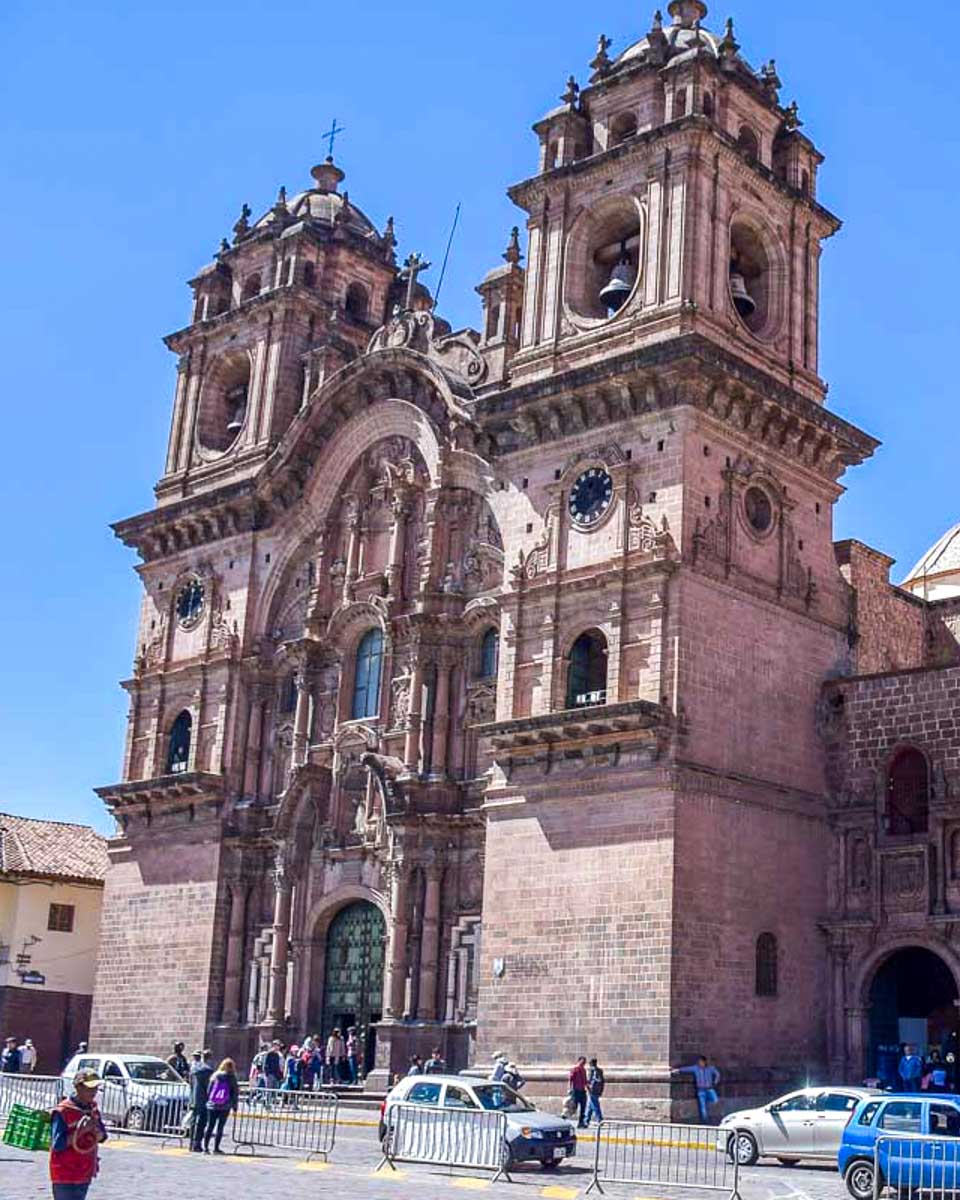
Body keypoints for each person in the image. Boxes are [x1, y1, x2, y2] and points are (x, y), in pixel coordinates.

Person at [50, 1066, 108, 1199]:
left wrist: (98, 1134)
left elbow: (103, 1135)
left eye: (95, 1088)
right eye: (90, 1088)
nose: (94, 1092)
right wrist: (82, 1131)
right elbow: (57, 1144)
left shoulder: (93, 1109)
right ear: (78, 1087)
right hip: (64, 1172)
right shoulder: (63, 1111)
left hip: (84, 1170)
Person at [203, 1057, 239, 1154]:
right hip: (225, 1106)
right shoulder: (232, 1078)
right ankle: (216, 1148)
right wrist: (235, 1106)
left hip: (212, 1105)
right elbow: (235, 1093)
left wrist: (210, 1100)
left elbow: (209, 1091)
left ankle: (205, 1148)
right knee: (220, 1127)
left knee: (210, 1126)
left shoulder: (215, 1076)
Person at [672, 1056, 721, 1124]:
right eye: (699, 1062)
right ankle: (705, 1121)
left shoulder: (710, 1068)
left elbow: (717, 1074)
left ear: (705, 1062)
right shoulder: (696, 1068)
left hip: (709, 1089)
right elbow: (687, 1069)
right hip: (701, 1090)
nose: (700, 1063)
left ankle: (716, 1117)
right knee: (703, 1106)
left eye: (701, 1062)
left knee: (716, 1101)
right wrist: (678, 1070)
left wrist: (715, 1082)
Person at [189, 1049, 214, 1153]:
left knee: (194, 1121)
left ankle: (191, 1143)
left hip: (194, 1098)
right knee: (202, 1122)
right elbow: (209, 1087)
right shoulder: (208, 1071)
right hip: (204, 1099)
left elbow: (190, 1084)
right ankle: (197, 1143)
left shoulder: (193, 1070)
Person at [569, 1056, 588, 1128]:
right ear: (579, 1061)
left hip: (582, 1091)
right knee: (573, 1107)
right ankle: (565, 1118)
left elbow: (585, 1081)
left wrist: (588, 1089)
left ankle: (581, 1122)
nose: (583, 1064)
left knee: (583, 1107)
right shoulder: (575, 1069)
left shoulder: (584, 1070)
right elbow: (571, 1079)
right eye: (582, 1062)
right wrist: (570, 1089)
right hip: (576, 1091)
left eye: (584, 1063)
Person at [585, 1058, 605, 1127]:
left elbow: (589, 1081)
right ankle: (586, 1120)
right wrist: (601, 1090)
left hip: (592, 1091)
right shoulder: (600, 1071)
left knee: (595, 1105)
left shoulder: (592, 1071)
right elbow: (602, 1081)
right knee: (590, 1106)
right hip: (597, 1090)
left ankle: (599, 1119)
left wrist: (588, 1088)